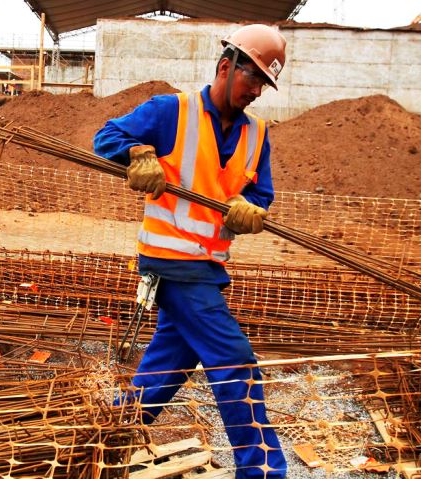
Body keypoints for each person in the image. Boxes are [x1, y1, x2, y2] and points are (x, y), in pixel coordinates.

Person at [93, 24, 288, 478]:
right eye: (252, 78)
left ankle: (105, 437)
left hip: (207, 267)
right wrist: (138, 153)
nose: (256, 91)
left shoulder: (257, 135)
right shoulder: (170, 112)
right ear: (226, 66)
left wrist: (249, 210)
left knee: (169, 364)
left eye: (263, 83)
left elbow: (261, 196)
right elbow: (105, 138)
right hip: (171, 264)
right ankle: (264, 471)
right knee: (234, 359)